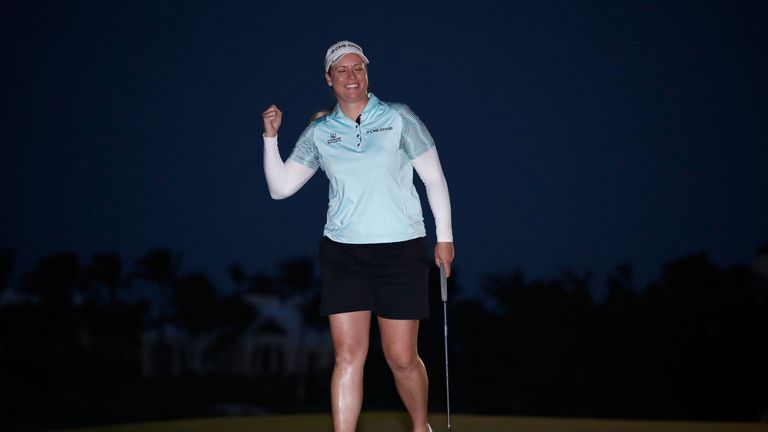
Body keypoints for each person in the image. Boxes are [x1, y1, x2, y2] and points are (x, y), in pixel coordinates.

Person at [261, 40, 454, 432]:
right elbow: (281, 188)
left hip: (401, 250)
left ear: (367, 73)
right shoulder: (320, 131)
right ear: (328, 79)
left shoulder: (399, 117)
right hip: (343, 254)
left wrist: (445, 237)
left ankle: (420, 426)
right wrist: (270, 139)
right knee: (348, 357)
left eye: (358, 68)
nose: (352, 76)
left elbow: (434, 179)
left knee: (401, 357)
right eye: (342, 70)